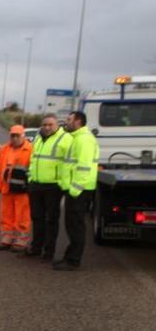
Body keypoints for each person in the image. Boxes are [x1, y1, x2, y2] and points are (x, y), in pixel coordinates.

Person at [22, 113, 72, 261]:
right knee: (37, 218)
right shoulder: (38, 138)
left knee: (51, 220)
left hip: (53, 186)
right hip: (36, 184)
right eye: (44, 125)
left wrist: (64, 182)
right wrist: (30, 178)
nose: (47, 127)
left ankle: (48, 252)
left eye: (50, 125)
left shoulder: (66, 139)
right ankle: (36, 248)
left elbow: (69, 163)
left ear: (57, 125)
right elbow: (33, 160)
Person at [54, 111, 100, 271]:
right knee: (71, 225)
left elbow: (84, 167)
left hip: (79, 191)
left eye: (69, 119)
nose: (66, 122)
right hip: (75, 189)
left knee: (76, 226)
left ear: (78, 121)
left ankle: (73, 260)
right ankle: (70, 257)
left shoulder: (84, 140)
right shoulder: (77, 138)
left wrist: (75, 189)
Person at [0, 125, 33, 251]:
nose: (14, 138)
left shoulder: (31, 149)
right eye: (12, 135)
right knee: (6, 214)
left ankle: (21, 241)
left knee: (22, 215)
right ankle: (7, 239)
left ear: (23, 136)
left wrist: (29, 186)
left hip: (22, 190)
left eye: (17, 135)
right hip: (6, 188)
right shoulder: (4, 149)